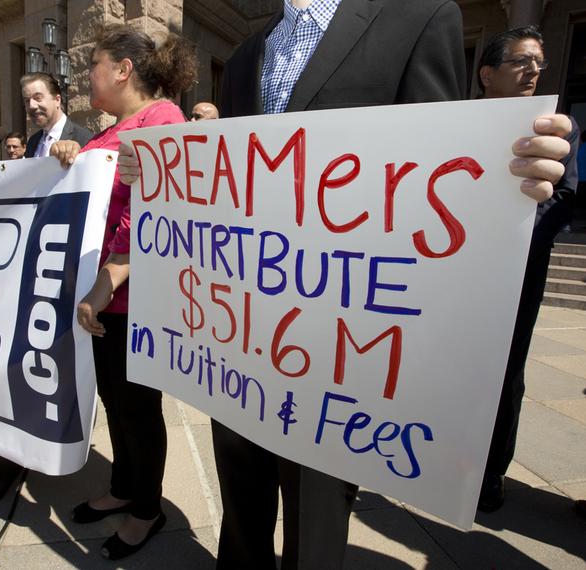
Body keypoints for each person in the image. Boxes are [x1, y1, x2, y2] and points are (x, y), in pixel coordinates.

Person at [115, 1, 574, 567]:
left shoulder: (418, 18)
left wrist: (509, 176)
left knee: (316, 514)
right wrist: (161, 173)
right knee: (241, 498)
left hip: (338, 345)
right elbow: (229, 184)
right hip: (240, 332)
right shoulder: (243, 59)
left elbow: (440, 170)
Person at [48, 24, 196, 561]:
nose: (88, 74)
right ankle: (126, 487)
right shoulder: (110, 129)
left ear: (123, 69)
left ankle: (146, 509)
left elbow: (149, 214)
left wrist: (108, 282)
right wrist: (71, 153)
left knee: (137, 407)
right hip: (104, 291)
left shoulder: (163, 120)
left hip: (133, 294)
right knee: (114, 397)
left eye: (94, 63)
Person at [477, 26, 580, 513]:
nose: (533, 70)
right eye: (520, 61)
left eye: (538, 62)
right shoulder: (459, 124)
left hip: (518, 276)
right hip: (456, 271)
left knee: (506, 373)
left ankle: (492, 470)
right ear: (487, 73)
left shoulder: (557, 131)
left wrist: (512, 240)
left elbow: (563, 196)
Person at [21, 72, 93, 158]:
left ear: (57, 100)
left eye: (38, 98)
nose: (32, 106)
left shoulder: (83, 139)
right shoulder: (33, 142)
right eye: (27, 100)